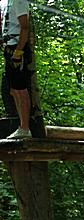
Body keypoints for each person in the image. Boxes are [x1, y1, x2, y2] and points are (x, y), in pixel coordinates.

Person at [0, 0, 31, 139]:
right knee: (13, 90)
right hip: (8, 47)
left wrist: (18, 52)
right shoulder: (6, 2)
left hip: (17, 48)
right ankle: (22, 126)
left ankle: (25, 128)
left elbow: (24, 27)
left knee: (20, 89)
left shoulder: (19, 1)